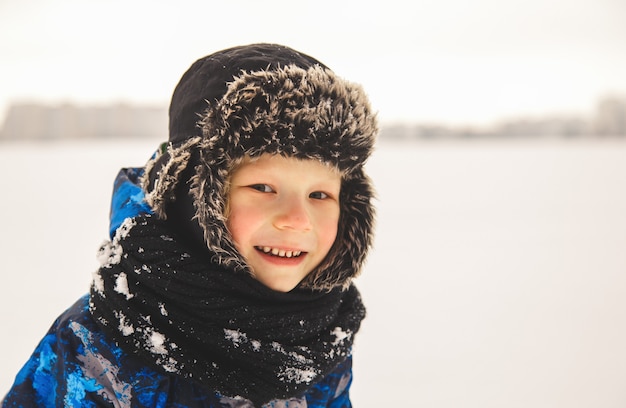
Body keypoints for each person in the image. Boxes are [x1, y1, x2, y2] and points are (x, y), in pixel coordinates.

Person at [2, 43, 377, 407]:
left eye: (320, 196)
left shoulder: (320, 332)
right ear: (191, 197)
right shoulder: (102, 343)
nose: (297, 220)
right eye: (263, 187)